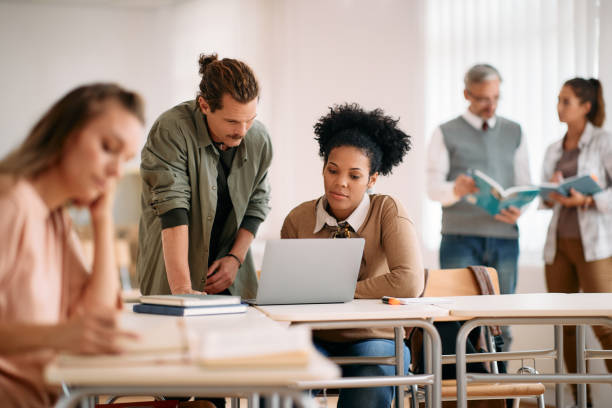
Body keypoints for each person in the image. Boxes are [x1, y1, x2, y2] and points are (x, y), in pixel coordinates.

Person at [0, 83, 144, 407]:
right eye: (108, 147)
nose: (116, 171)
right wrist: (54, 335)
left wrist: (103, 218)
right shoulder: (10, 204)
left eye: (125, 159)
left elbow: (99, 317)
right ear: (66, 134)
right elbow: (71, 333)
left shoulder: (54, 217)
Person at [281, 103, 424, 408]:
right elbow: (288, 289)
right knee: (282, 371)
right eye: (332, 170)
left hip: (375, 338)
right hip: (313, 337)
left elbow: (409, 281)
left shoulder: (388, 210)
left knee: (374, 368)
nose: (340, 182)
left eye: (354, 175)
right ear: (323, 168)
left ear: (372, 179)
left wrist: (337, 292)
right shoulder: (298, 219)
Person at [137, 53, 272, 300]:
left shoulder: (258, 139)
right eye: (232, 121)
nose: (242, 131)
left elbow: (257, 204)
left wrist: (234, 259)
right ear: (204, 106)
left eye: (249, 120)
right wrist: (182, 292)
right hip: (174, 273)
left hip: (231, 279)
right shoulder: (171, 130)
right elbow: (173, 207)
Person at [426, 63, 531, 352]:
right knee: (458, 321)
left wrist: (520, 208)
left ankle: (502, 396)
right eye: (484, 98)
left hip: (505, 238)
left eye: (496, 97)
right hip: (459, 238)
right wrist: (455, 189)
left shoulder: (514, 131)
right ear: (467, 94)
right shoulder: (445, 132)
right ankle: (463, 394)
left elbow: (524, 183)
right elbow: (433, 188)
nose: (491, 105)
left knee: (502, 323)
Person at [542, 77, 612, 408]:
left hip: (594, 246)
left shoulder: (604, 142)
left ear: (586, 106)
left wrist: (587, 200)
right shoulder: (554, 148)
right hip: (559, 246)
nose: (559, 106)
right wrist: (551, 191)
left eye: (566, 101)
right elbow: (545, 199)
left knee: (606, 325)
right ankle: (579, 400)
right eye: (558, 99)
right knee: (566, 329)